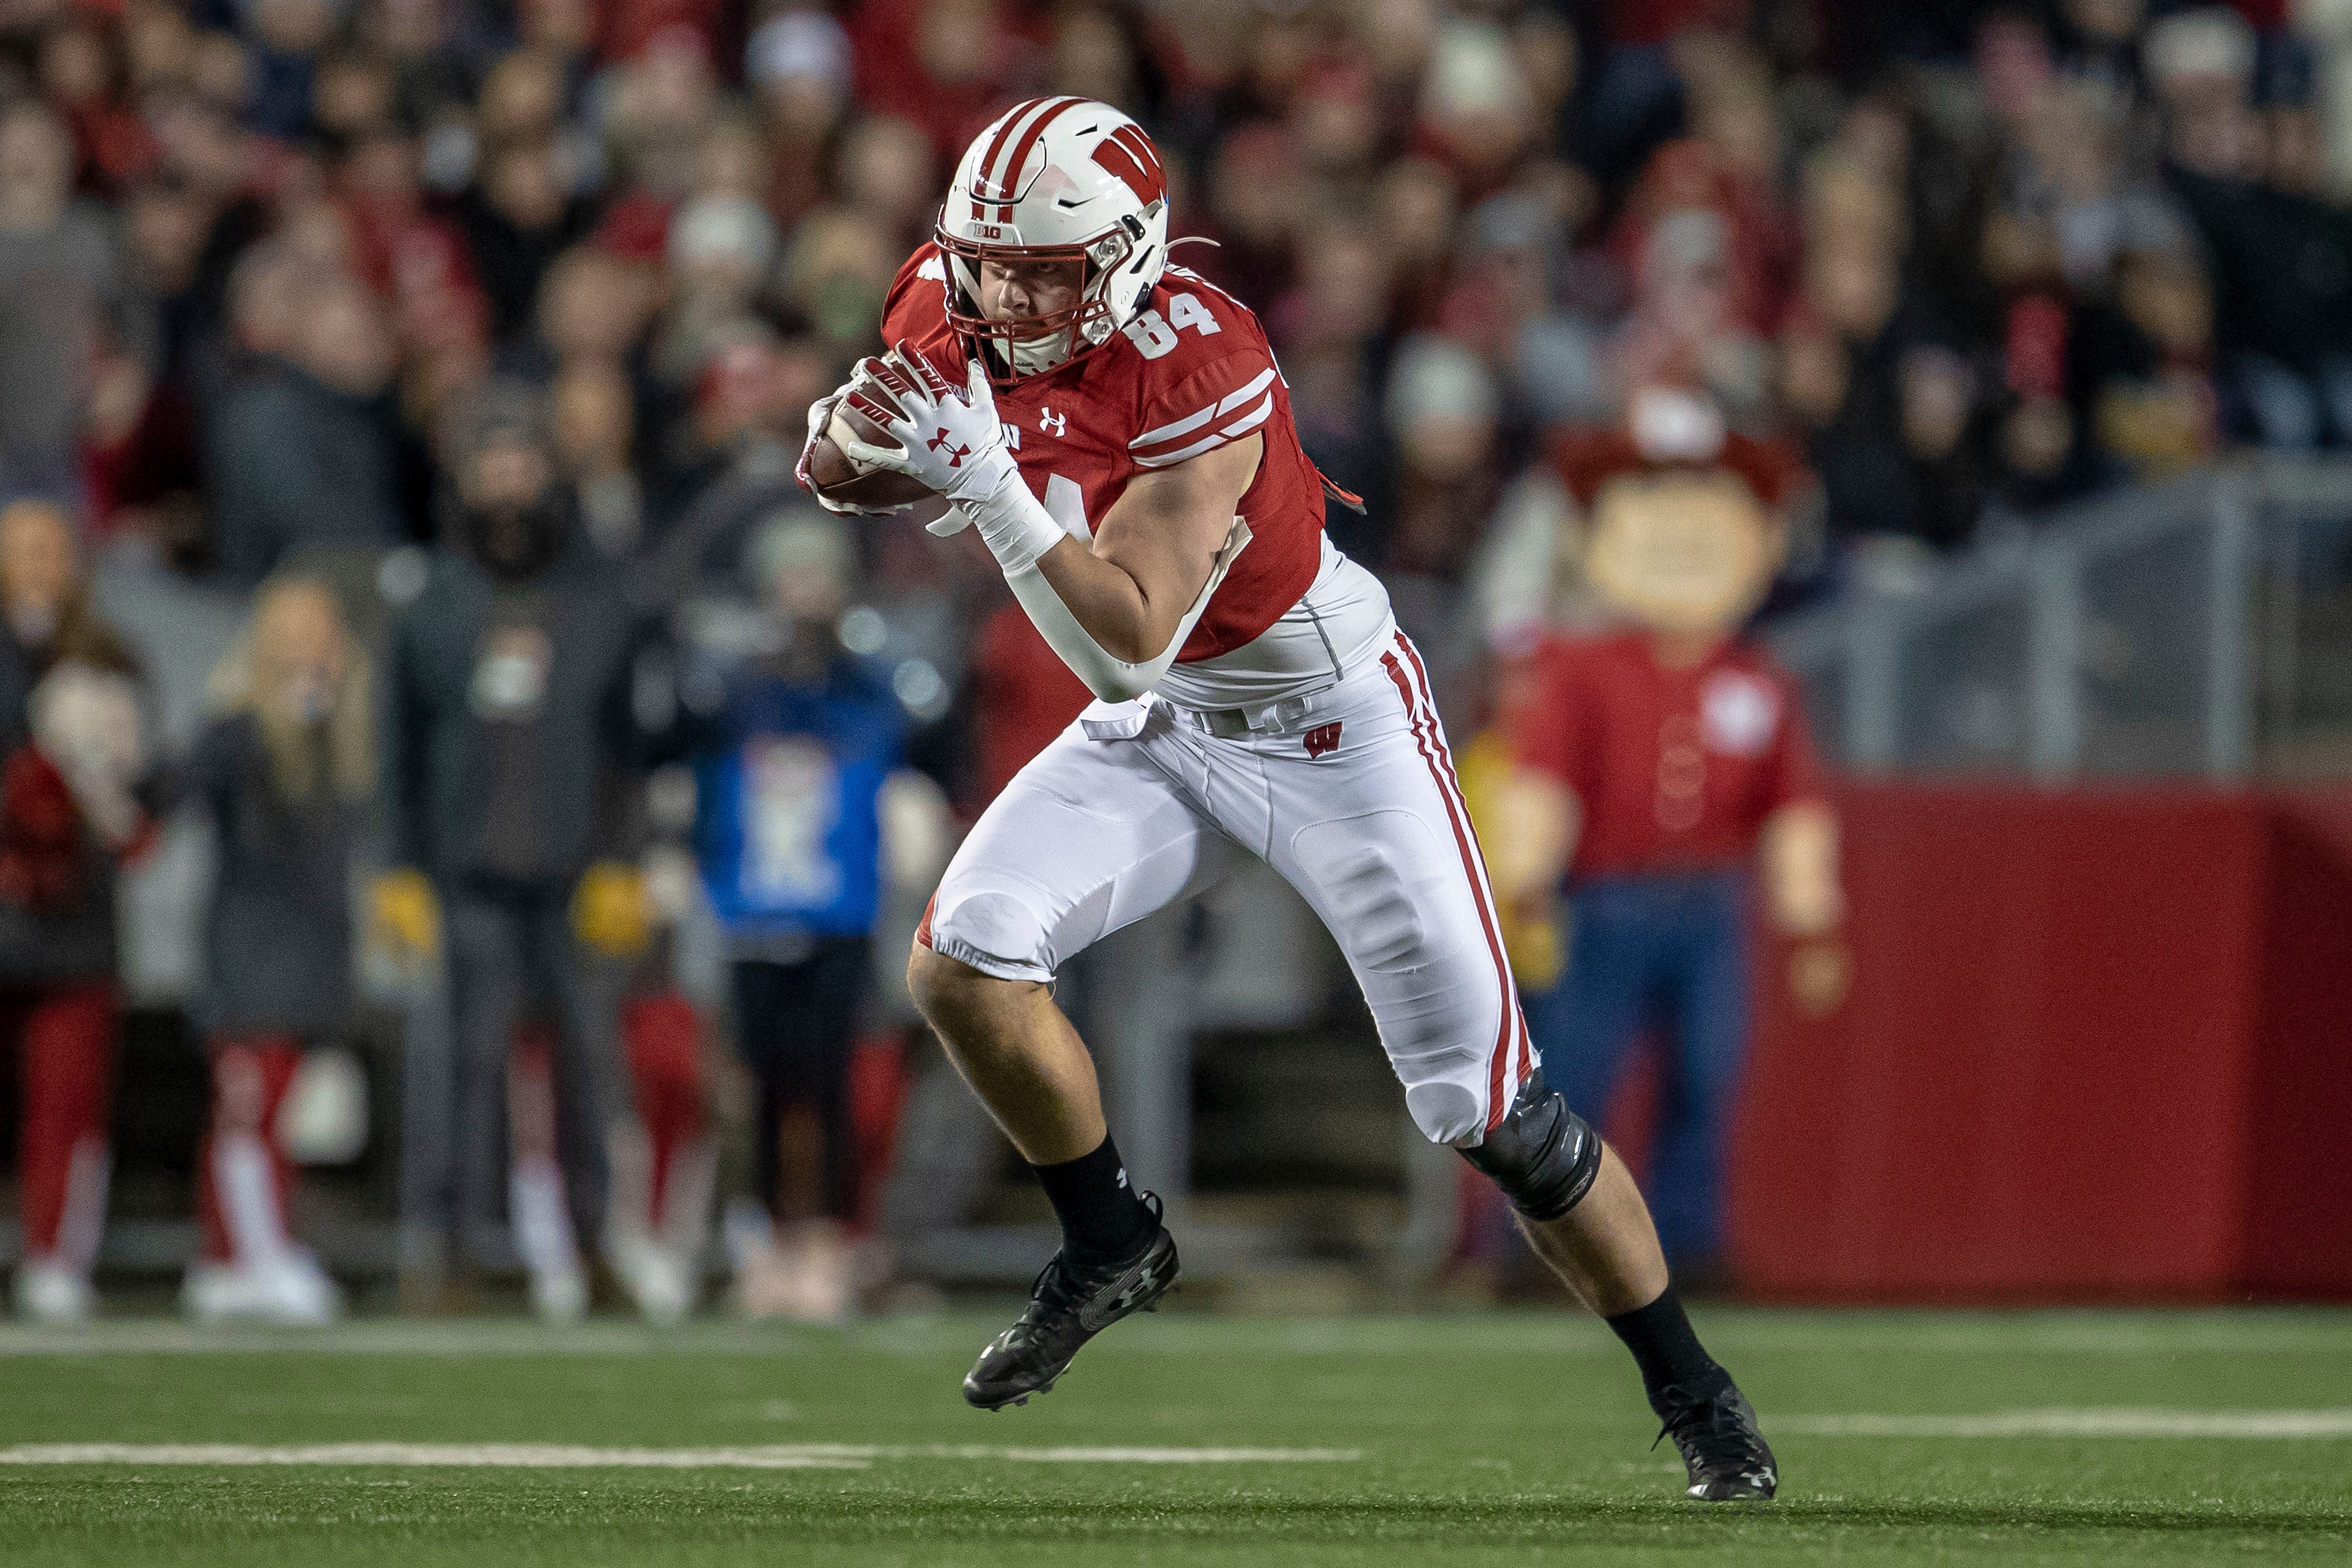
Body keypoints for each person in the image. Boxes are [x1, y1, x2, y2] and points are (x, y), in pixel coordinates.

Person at [800, 100, 1776, 1500]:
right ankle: (1108, 1234)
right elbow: (837, 467)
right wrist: (853, 437)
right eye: (987, 264)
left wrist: (996, 492)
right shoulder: (950, 296)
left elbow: (1121, 635)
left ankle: (1698, 1392)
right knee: (967, 957)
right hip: (1174, 721)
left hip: (1331, 728)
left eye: (1046, 269)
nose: (1007, 297)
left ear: (1129, 259)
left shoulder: (1204, 355)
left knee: (1494, 1110)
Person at [1500, 388, 1845, 1284]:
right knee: (1576, 1074)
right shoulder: (1580, 669)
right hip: (1605, 901)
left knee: (1707, 1074)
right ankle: (1544, 1245)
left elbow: (1793, 806)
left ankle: (1688, 1243)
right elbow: (1546, 781)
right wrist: (1525, 875)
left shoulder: (1757, 679)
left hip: (1709, 903)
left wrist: (1809, 916)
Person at [380, 380, 646, 1320]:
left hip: (575, 871)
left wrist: (625, 857)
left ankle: (594, 1248)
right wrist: (400, 869)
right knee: (459, 1067)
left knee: (587, 1071)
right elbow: (397, 747)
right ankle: (448, 1251)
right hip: (464, 873)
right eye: (491, 466)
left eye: (522, 464)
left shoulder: (599, 598)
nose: (507, 483)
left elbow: (627, 748)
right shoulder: (432, 604)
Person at [681, 515, 908, 1322]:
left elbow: (909, 738)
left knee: (833, 1081)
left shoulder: (863, 681)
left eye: (818, 578)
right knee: (766, 1082)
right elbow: (690, 751)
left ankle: (832, 1240)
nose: (805, 594)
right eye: (792, 578)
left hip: (840, 906)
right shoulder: (738, 684)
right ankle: (771, 1235)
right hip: (753, 905)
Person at [176, 577, 368, 1325]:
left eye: (319, 632)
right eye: (291, 633)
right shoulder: (235, 733)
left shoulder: (342, 740)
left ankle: (253, 1252)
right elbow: (179, 794)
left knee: (282, 1117)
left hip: (311, 960)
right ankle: (245, 1256)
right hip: (247, 956)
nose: (307, 650)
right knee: (245, 1112)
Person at [0, 500, 150, 1323]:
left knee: (69, 1105)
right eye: (19, 548)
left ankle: (57, 1257)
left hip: (78, 920)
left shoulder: (110, 657)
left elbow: (141, 794)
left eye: (51, 548)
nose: (36, 564)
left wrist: (105, 791)